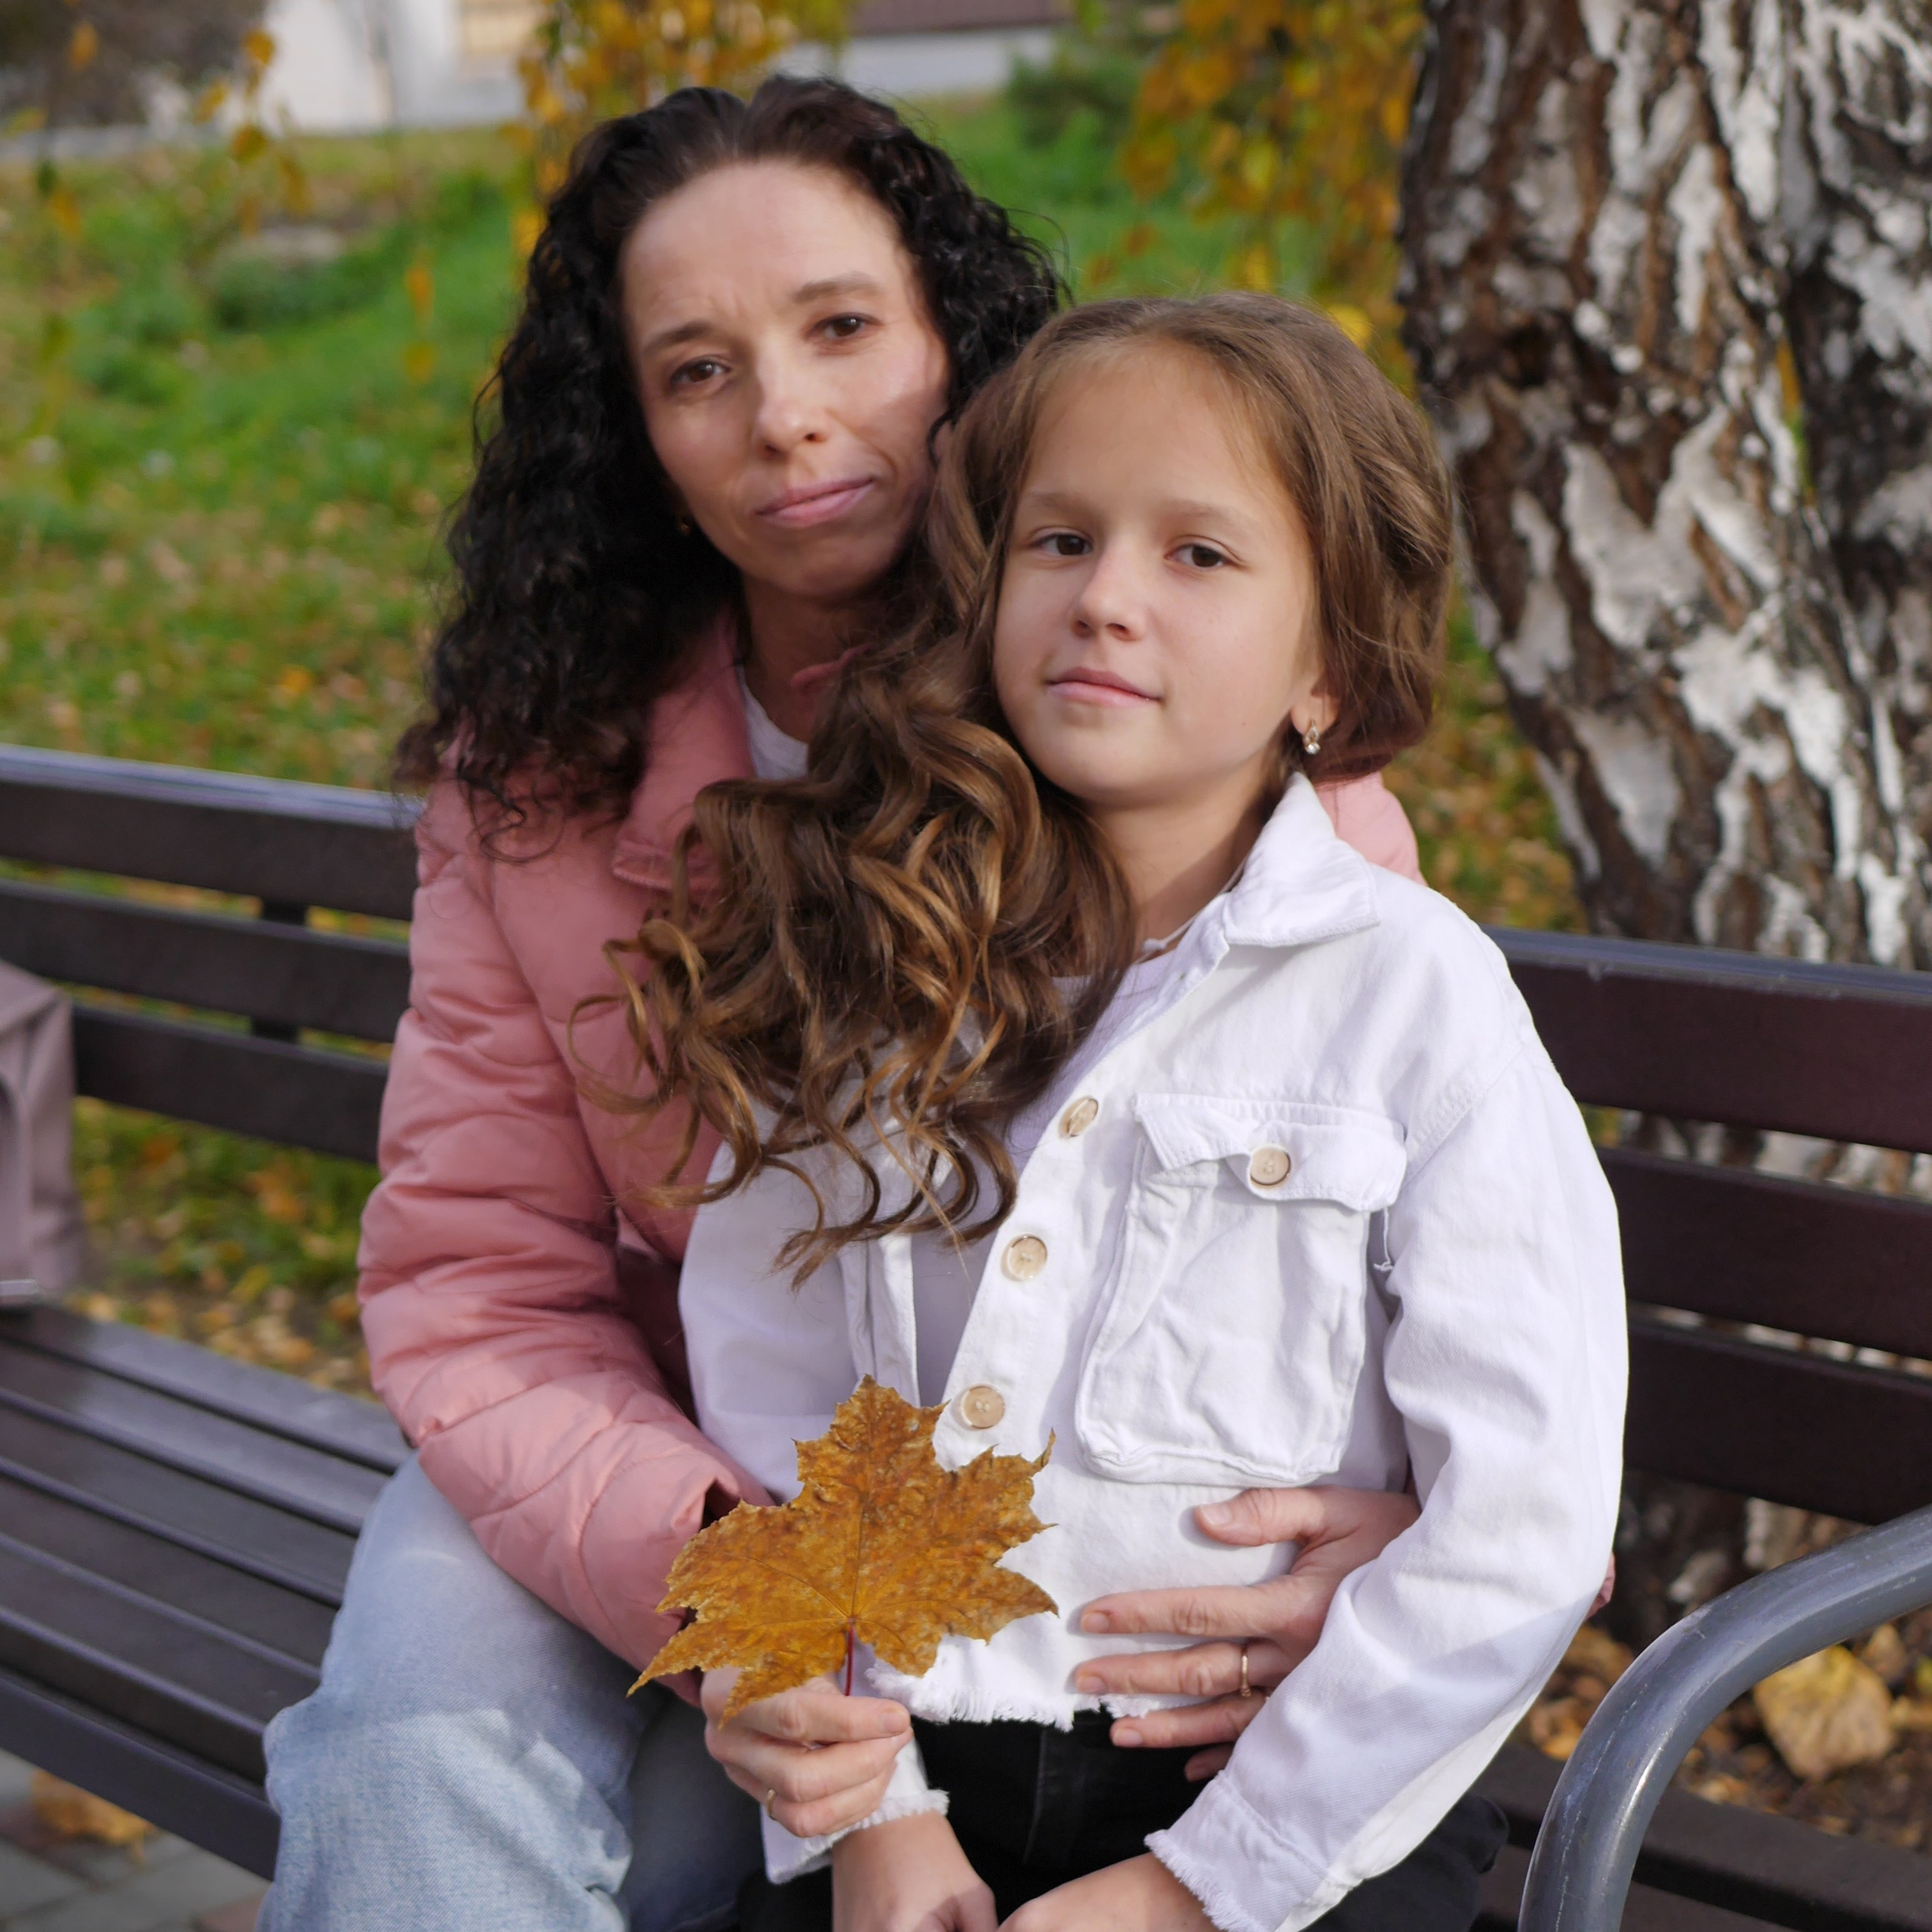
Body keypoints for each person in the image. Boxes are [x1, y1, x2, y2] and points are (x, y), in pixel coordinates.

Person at [257, 84, 1428, 1932]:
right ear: (637, 437)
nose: (785, 416)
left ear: (955, 343)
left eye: (839, 328)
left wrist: (1399, 1513)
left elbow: (1401, 1202)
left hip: (1066, 1524)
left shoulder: (1177, 704)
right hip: (634, 1465)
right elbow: (479, 1282)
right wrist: (748, 1589)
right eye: (697, 370)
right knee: (411, 1770)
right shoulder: (540, 773)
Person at [627, 293, 1627, 1932]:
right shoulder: (883, 960)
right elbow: (774, 1390)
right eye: (1062, 539)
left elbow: (1519, 1517)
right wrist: (873, 1813)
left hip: (1281, 1800)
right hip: (916, 1782)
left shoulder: (1411, 1000)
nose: (1103, 596)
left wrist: (1191, 1890)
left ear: (1326, 668)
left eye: (1198, 555)